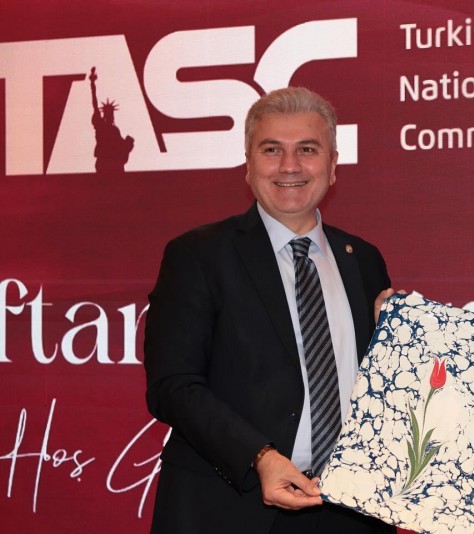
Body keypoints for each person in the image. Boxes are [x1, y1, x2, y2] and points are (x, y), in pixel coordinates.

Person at [144, 87, 396, 533]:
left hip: (350, 511)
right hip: (230, 507)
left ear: (333, 166)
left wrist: (401, 342)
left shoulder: (364, 259)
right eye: (272, 149)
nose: (290, 166)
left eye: (308, 150)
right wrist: (258, 457)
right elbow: (173, 385)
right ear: (248, 164)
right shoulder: (197, 256)